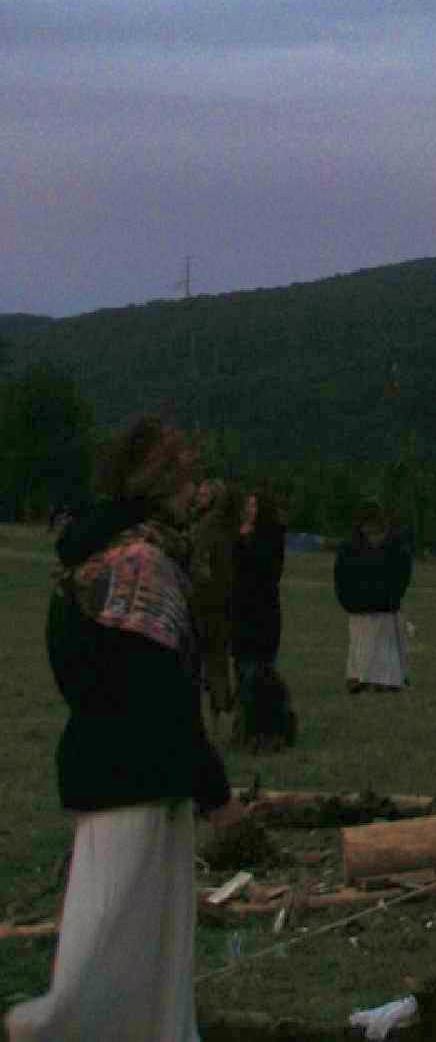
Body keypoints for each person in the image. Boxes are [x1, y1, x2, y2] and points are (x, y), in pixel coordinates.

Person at [7, 415, 244, 1042]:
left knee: (153, 939)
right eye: (185, 478)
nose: (195, 492)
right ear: (159, 482)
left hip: (126, 762)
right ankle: (42, 1030)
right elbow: (161, 694)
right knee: (111, 934)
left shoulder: (102, 552)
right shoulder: (140, 564)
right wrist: (216, 793)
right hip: (131, 768)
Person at [232, 484, 293, 748]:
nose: (249, 509)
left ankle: (263, 728)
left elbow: (266, 571)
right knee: (243, 670)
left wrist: (244, 542)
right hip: (241, 611)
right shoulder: (238, 534)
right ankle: (245, 726)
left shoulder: (271, 536)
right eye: (247, 505)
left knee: (259, 673)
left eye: (254, 505)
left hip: (262, 611)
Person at [335, 503, 413, 692]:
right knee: (363, 643)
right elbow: (342, 577)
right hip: (364, 607)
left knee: (377, 643)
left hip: (382, 607)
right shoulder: (351, 548)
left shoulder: (394, 546)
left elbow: (401, 576)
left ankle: (380, 678)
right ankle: (364, 677)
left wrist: (391, 598)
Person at [189, 475, 239, 721]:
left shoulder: (206, 526)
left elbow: (200, 564)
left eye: (204, 495)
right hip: (223, 600)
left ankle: (210, 715)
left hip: (205, 602)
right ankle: (221, 712)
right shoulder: (229, 526)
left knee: (203, 661)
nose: (198, 498)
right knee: (218, 661)